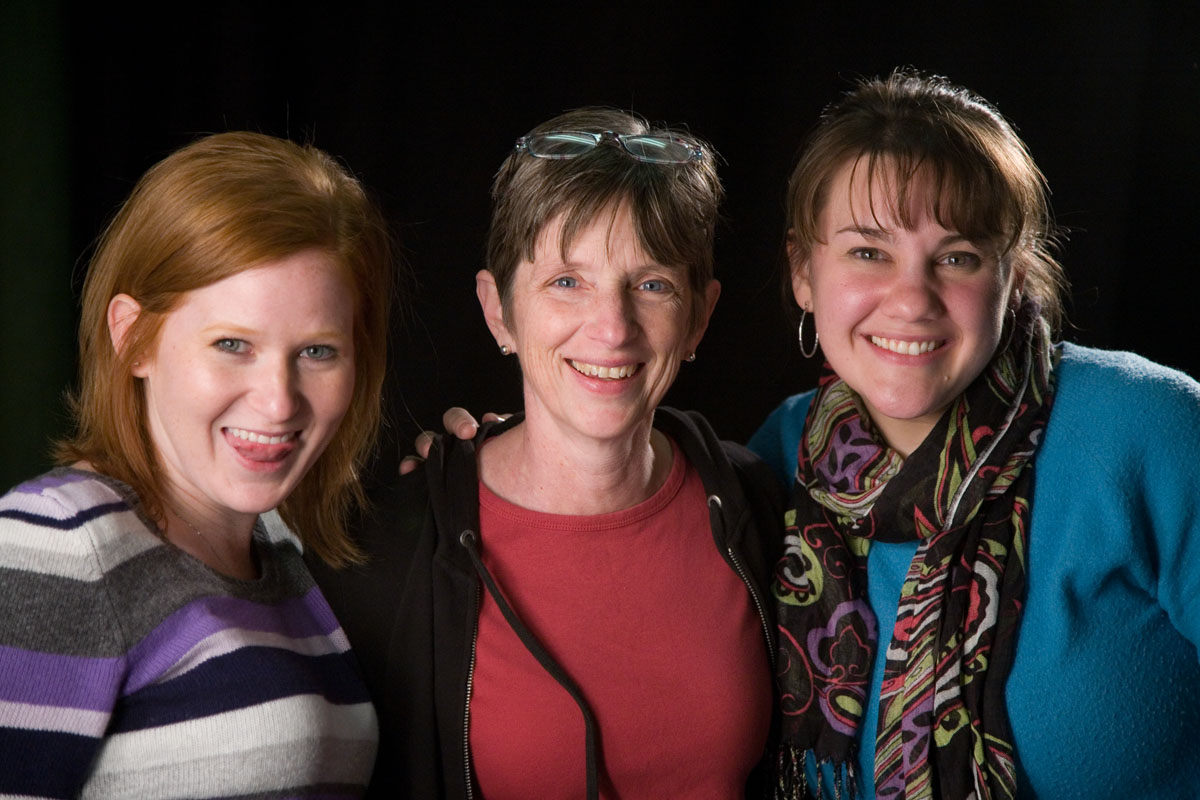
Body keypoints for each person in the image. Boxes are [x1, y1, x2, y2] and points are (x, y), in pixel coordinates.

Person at [309, 108, 783, 799]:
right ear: (498, 310)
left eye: (651, 284)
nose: (612, 328)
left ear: (699, 317)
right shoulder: (393, 549)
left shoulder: (758, 507)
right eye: (568, 281)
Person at [752, 70, 1200, 799]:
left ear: (1013, 273)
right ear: (805, 272)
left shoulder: (1147, 429)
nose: (911, 298)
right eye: (869, 252)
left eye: (956, 257)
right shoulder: (781, 452)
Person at [0, 132, 393, 798]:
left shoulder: (285, 556)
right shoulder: (60, 544)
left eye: (318, 352)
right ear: (133, 338)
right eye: (233, 344)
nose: (278, 399)